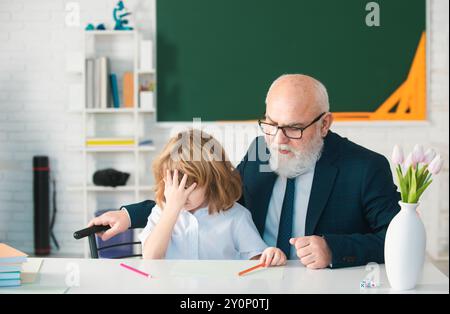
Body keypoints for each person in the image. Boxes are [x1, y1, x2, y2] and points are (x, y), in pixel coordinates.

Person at [89, 74, 400, 269]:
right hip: (255, 283)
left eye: (293, 129)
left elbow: (396, 240)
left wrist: (334, 250)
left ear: (324, 123)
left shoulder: (365, 168)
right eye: (271, 125)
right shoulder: (260, 151)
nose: (278, 141)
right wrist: (130, 215)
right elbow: (212, 192)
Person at [139, 130, 286, 266]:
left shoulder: (235, 216)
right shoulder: (161, 211)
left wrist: (270, 256)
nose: (179, 195)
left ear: (212, 182)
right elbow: (151, 259)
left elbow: (257, 260)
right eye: (173, 185)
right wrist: (171, 209)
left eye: (188, 187)